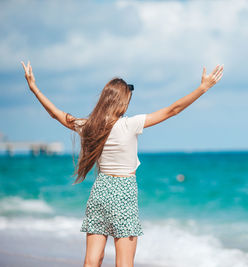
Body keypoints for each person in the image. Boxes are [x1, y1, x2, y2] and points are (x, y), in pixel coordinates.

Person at [20, 60, 224, 267]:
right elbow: (172, 110)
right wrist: (203, 88)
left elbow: (57, 114)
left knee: (92, 261)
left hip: (100, 191)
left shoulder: (89, 126)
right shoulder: (130, 124)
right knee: (124, 264)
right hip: (124, 192)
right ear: (121, 102)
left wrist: (34, 88)